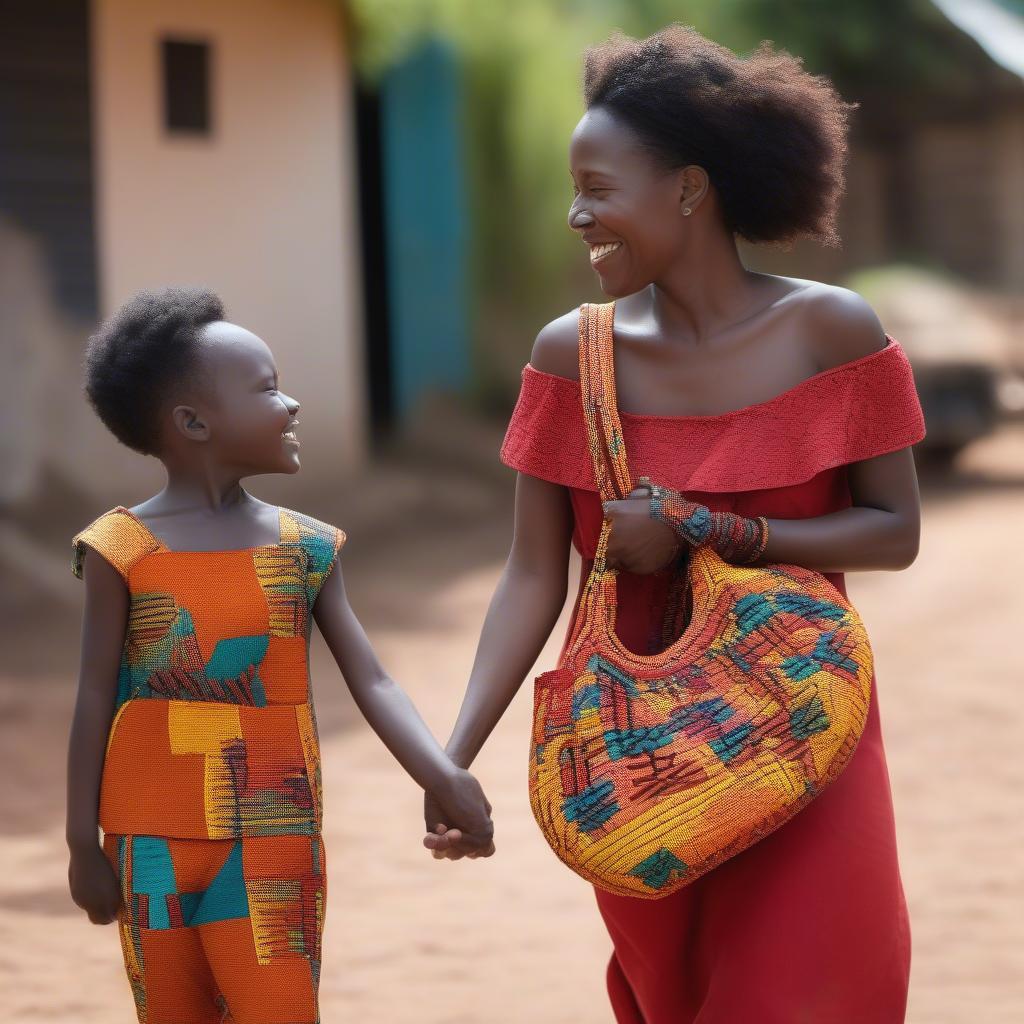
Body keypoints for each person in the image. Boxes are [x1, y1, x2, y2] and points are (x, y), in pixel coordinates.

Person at [424, 26, 923, 1023]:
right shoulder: (573, 355)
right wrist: (453, 753)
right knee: (680, 998)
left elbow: (891, 531)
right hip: (640, 751)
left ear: (689, 188)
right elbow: (531, 575)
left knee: (813, 986)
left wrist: (708, 530)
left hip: (800, 723)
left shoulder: (833, 331)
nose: (576, 215)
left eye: (598, 188)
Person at [66, 287, 494, 1024]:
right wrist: (80, 844)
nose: (291, 404)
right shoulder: (120, 549)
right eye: (267, 389)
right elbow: (93, 696)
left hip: (272, 833)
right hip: (146, 838)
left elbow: (373, 677)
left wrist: (444, 774)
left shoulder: (304, 546)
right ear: (193, 422)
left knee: (279, 1009)